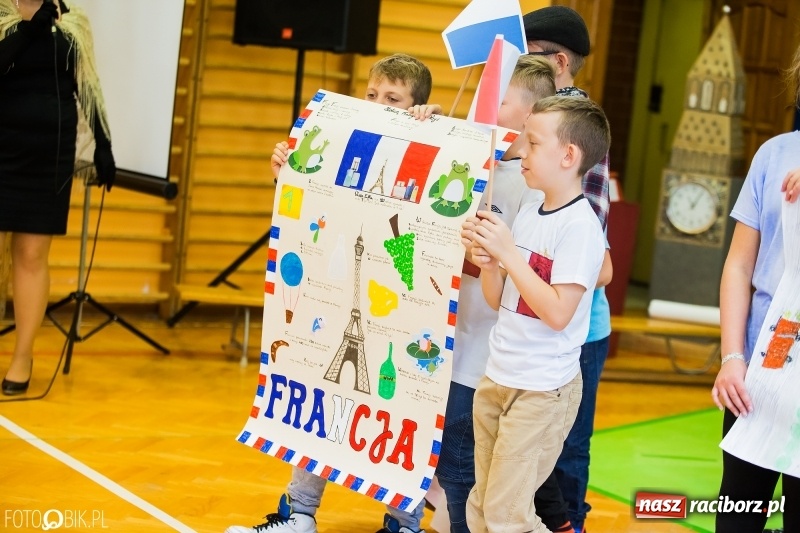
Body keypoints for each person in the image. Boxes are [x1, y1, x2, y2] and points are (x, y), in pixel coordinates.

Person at [225, 52, 441, 533]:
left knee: (405, 406)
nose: (378, 104)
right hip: (340, 288)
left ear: (417, 105)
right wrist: (289, 168)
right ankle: (299, 513)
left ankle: (405, 522)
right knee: (318, 392)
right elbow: (307, 202)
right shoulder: (348, 141)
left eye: (394, 99)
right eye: (371, 95)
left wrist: (435, 125)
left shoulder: (429, 139)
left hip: (401, 297)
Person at [378, 55, 558, 533]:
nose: (481, 106)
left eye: (496, 99)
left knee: (459, 465)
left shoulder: (531, 188)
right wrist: (426, 123)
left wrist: (474, 258)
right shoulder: (465, 158)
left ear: (528, 116)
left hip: (477, 357)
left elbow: (510, 276)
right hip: (429, 340)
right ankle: (401, 523)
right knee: (414, 447)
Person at [461, 95, 610, 533]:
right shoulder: (528, 211)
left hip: (541, 391)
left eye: (533, 142)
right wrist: (490, 262)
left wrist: (509, 253)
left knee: (508, 514)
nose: (521, 152)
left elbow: (559, 313)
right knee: (484, 503)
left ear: (569, 156)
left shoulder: (581, 227)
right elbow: (500, 300)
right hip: (499, 376)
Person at [523, 7, 613, 532]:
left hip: (573, 323)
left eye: (527, 53)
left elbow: (592, 258)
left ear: (558, 62)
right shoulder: (525, 122)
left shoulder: (574, 133)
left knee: (566, 446)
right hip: (523, 315)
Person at [0, 0, 115, 396]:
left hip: (48, 157)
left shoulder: (72, 22)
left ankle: (22, 357)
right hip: (2, 148)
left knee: (31, 256)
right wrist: (29, 30)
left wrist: (103, 144)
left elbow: (89, 86)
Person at [710, 43, 800, 533]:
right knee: (738, 512)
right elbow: (739, 267)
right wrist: (732, 359)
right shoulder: (774, 154)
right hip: (759, 372)